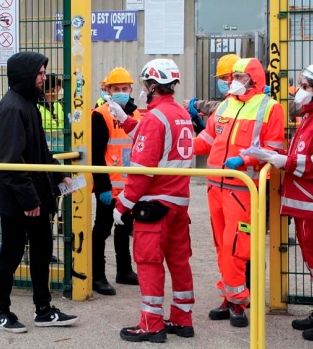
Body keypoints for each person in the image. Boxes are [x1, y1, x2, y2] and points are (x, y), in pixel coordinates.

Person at [0, 51, 78, 333]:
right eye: (40, 74)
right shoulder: (12, 107)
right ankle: (1, 311)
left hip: (36, 195)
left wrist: (59, 172)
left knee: (42, 250)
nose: (43, 78)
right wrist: (29, 199)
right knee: (12, 253)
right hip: (19, 199)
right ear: (26, 75)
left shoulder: (28, 104)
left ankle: (44, 309)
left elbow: (40, 152)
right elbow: (10, 161)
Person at [193, 57, 285, 328]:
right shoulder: (225, 105)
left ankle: (237, 302)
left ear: (253, 79)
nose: (231, 81)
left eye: (238, 77)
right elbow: (206, 140)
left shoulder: (270, 109)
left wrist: (244, 161)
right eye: (231, 76)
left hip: (243, 188)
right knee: (221, 245)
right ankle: (229, 296)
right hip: (215, 186)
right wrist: (180, 142)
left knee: (236, 246)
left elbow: (274, 151)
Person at [113, 58, 195, 343]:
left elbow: (142, 168)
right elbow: (159, 142)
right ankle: (183, 319)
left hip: (154, 204)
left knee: (148, 262)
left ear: (151, 85)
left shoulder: (155, 118)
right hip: (178, 201)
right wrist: (126, 121)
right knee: (179, 261)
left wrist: (123, 203)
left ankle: (151, 324)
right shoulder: (180, 113)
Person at [258, 63, 313, 341]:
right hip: (304, 204)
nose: (299, 92)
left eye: (305, 87)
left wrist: (284, 161)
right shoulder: (311, 115)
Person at [90, 67, 141, 296]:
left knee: (125, 228)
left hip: (130, 187)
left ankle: (124, 270)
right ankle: (97, 275)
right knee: (102, 230)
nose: (121, 92)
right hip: (109, 188)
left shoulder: (137, 115)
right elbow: (96, 154)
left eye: (124, 88)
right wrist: (102, 187)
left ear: (131, 89)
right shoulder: (100, 114)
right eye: (116, 89)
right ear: (107, 90)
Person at [183, 53, 241, 134]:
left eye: (224, 77)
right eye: (220, 78)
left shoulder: (245, 98)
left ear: (237, 76)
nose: (221, 81)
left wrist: (196, 104)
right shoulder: (233, 97)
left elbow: (224, 107)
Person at [38, 73, 65, 152]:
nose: (59, 91)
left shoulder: (57, 105)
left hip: (61, 151)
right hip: (44, 152)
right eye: (58, 88)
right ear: (53, 90)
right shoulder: (37, 107)